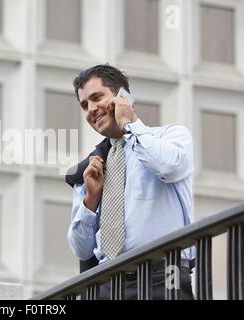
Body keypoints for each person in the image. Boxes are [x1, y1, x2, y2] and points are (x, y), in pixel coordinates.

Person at [66, 64, 195, 300]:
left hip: (163, 273)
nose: (91, 109)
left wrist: (130, 124)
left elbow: (168, 166)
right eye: (85, 105)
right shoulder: (90, 169)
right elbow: (80, 248)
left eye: (97, 97)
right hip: (107, 282)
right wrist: (91, 200)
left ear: (122, 97)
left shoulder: (171, 137)